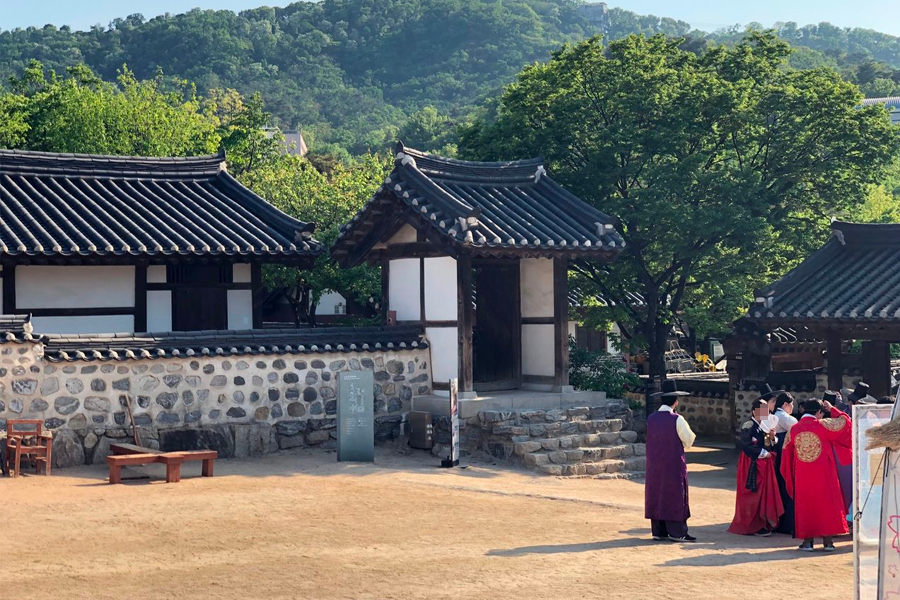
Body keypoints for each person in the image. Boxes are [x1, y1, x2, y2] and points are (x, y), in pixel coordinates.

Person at [780, 398, 852, 551]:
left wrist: (791, 474)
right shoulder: (825, 425)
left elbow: (786, 454)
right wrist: (833, 409)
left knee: (806, 505)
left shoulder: (793, 429)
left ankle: (808, 542)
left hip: (803, 475)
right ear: (819, 413)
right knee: (827, 505)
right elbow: (846, 422)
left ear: (802, 411)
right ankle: (828, 542)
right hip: (825, 473)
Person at [645, 380, 697, 542]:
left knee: (657, 494)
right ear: (676, 402)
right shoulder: (677, 419)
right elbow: (689, 440)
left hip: (655, 464)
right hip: (673, 463)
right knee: (675, 495)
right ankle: (677, 531)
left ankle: (659, 531)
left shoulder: (652, 419)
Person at [729, 399, 785, 536]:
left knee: (763, 493)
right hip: (750, 462)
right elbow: (746, 445)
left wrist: (772, 437)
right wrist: (763, 453)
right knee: (751, 493)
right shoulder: (748, 426)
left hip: (763, 462)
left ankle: (762, 521)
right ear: (754, 411)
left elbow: (769, 442)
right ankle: (751, 524)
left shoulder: (764, 426)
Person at [772, 392, 798, 535]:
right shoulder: (782, 416)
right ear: (785, 404)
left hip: (778, 452)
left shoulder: (775, 414)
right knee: (785, 485)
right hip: (783, 453)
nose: (792, 407)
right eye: (791, 404)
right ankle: (787, 523)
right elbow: (796, 426)